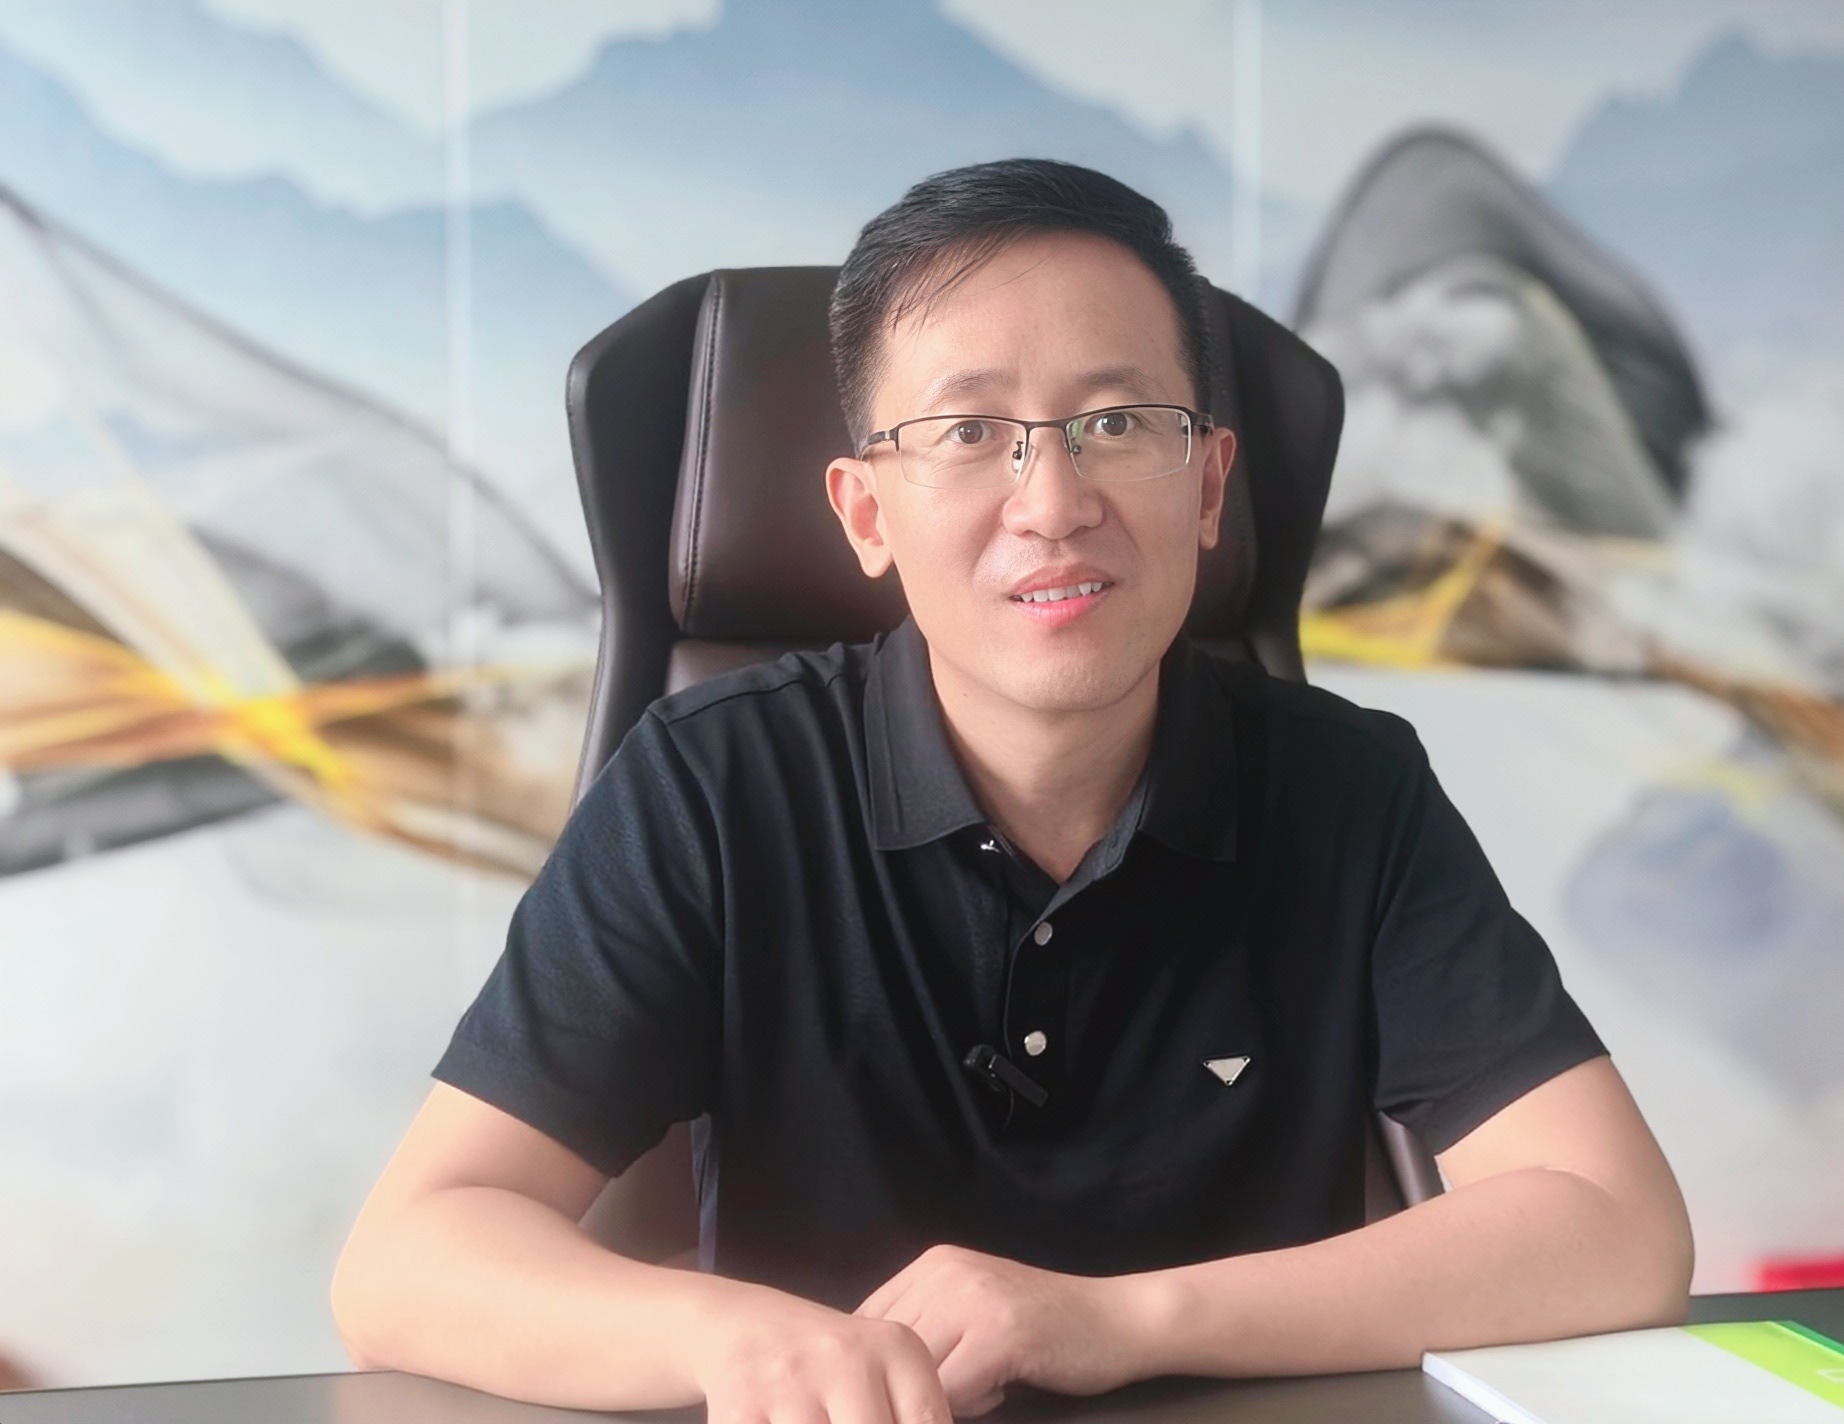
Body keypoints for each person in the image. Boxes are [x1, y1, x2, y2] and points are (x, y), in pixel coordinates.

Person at [331, 159, 1692, 1423]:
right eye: (971, 430)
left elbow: (1617, 1229)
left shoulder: (1351, 790)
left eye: (1117, 422)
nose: (1051, 502)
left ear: (1209, 485)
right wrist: (738, 1341)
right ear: (867, 513)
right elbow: (406, 1258)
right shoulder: (712, 784)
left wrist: (1118, 1320)